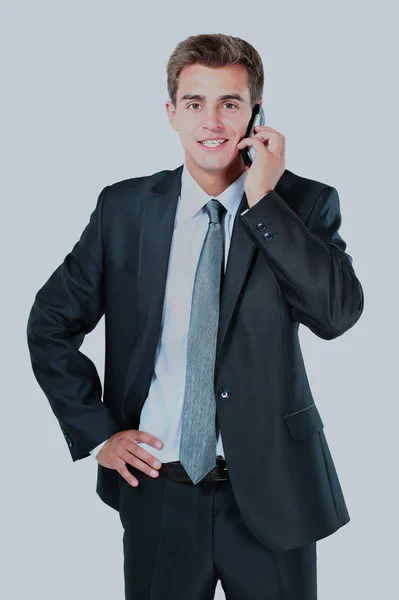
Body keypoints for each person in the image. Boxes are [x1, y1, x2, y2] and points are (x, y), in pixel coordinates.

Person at [26, 33, 364, 600]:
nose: (213, 120)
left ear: (256, 113)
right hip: (158, 489)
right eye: (194, 103)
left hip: (273, 492)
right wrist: (99, 433)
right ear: (171, 114)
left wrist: (264, 202)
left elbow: (335, 315)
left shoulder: (303, 205)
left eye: (230, 103)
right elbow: (50, 324)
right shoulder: (126, 209)